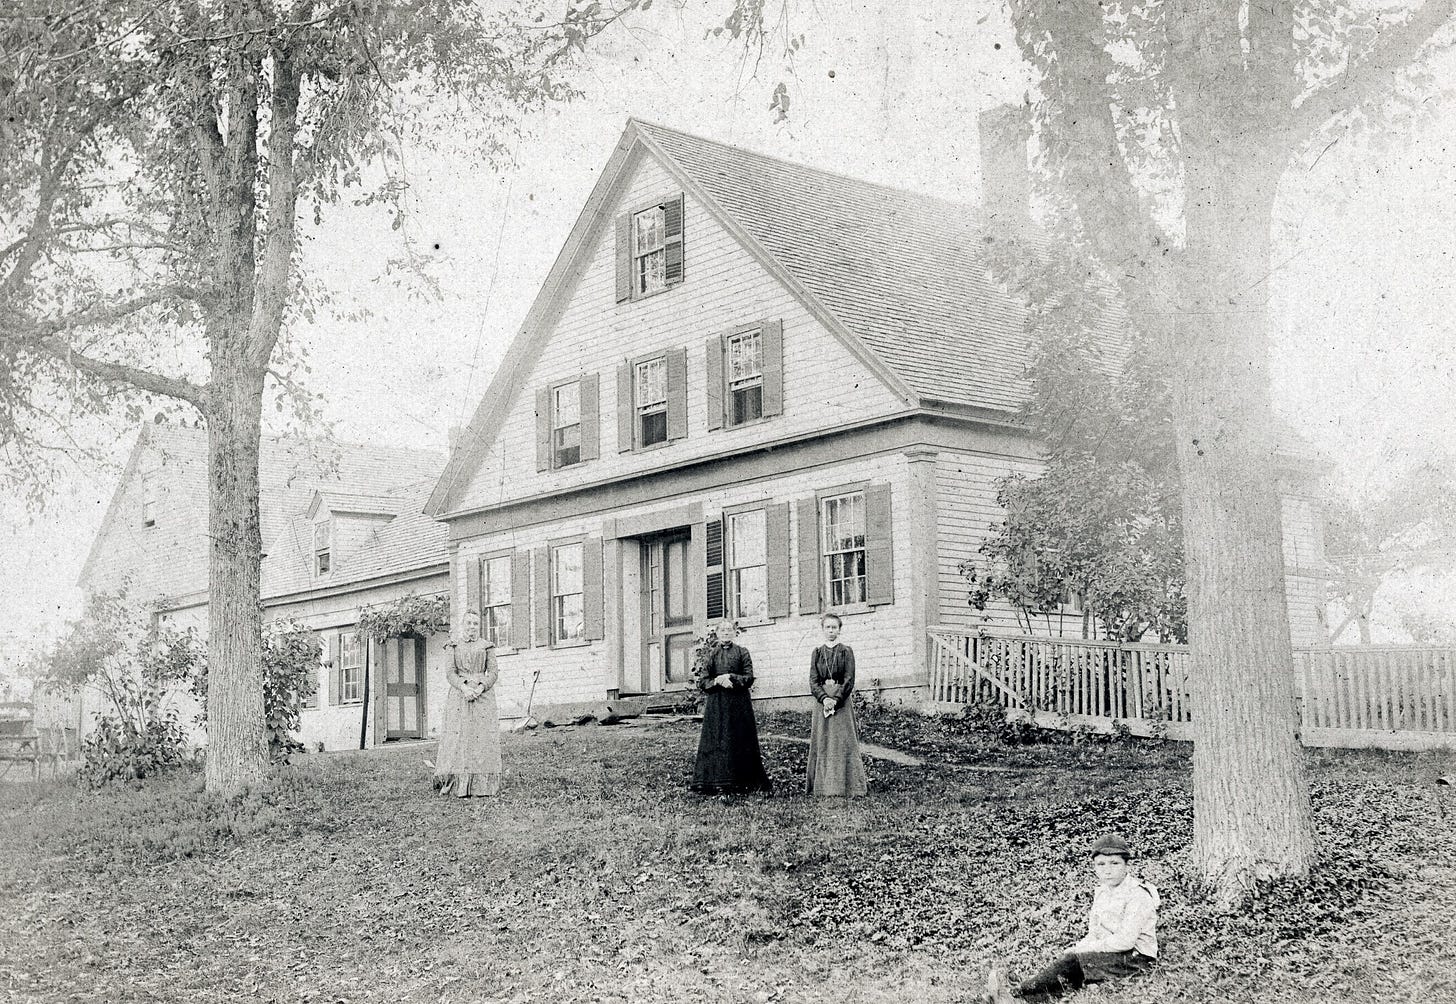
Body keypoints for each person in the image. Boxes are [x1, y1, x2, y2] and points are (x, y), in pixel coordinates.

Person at [983, 832, 1159, 1003]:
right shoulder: (1102, 892)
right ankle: (1021, 1000)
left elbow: (1125, 941)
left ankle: (1016, 992)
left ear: (1127, 865)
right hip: (1112, 952)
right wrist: (1079, 947)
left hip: (1136, 959)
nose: (1107, 870)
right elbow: (1095, 933)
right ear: (1094, 867)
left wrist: (1085, 951)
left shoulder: (1138, 894)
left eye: (1114, 863)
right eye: (1101, 864)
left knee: (1074, 963)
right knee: (1070, 970)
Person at [690, 620, 772, 796]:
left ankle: (742, 781)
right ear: (717, 633)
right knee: (718, 739)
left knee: (739, 738)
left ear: (734, 633)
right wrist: (717, 681)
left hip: (738, 704)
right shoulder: (712, 655)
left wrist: (731, 677)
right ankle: (716, 781)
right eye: (723, 630)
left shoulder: (742, 652)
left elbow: (749, 677)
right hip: (717, 706)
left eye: (729, 630)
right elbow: (703, 681)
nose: (726, 633)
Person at [433, 609, 502, 798]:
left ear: (479, 626)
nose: (472, 627)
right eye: (469, 623)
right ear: (463, 625)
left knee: (481, 736)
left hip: (483, 696)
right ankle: (458, 785)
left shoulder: (487, 646)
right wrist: (464, 688)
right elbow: (450, 673)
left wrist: (480, 688)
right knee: (459, 737)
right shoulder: (453, 646)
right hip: (459, 696)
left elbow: (494, 673)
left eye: (475, 623)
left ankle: (482, 786)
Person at [806, 612, 867, 797]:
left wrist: (836, 699)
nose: (831, 631)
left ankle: (848, 786)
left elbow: (849, 679)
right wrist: (824, 698)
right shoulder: (817, 652)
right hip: (822, 701)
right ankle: (823, 786)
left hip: (841, 701)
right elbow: (813, 680)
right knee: (823, 740)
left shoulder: (846, 651)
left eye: (834, 627)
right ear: (823, 629)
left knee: (842, 739)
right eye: (828, 627)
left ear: (839, 630)